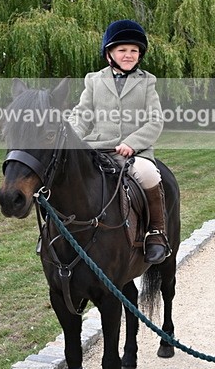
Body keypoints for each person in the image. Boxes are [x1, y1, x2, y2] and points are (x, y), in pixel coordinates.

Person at [68, 19, 170, 264]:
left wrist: (133, 143)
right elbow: (82, 115)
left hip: (133, 152)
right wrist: (70, 138)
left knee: (148, 174)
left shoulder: (147, 81)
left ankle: (156, 232)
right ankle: (57, 233)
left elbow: (155, 121)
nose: (129, 55)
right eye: (122, 50)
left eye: (134, 50)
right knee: (66, 175)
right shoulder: (94, 80)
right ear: (109, 54)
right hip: (98, 148)